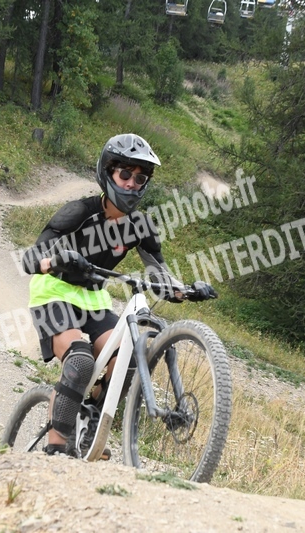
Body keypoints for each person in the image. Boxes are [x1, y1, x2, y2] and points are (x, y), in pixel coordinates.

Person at [21, 133, 216, 457]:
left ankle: (92, 420)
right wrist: (54, 261)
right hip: (53, 293)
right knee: (80, 362)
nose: (131, 183)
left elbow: (159, 273)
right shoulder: (79, 212)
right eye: (124, 174)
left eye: (139, 178)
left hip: (94, 299)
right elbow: (31, 258)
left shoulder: (140, 227)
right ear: (107, 172)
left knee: (128, 359)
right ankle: (55, 447)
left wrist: (185, 290)